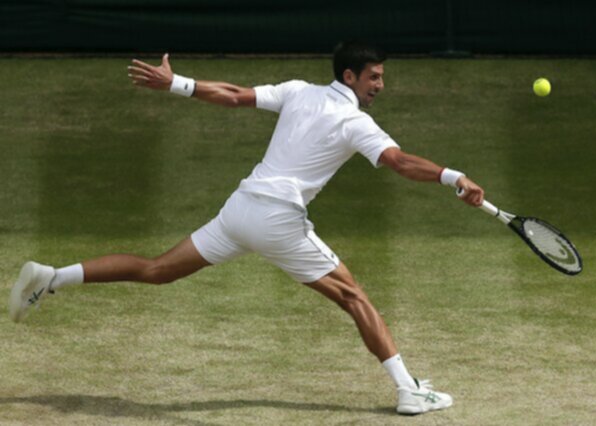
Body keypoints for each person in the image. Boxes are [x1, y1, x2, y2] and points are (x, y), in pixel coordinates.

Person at [9, 41, 484, 415]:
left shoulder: (299, 90)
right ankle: (407, 391)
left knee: (157, 269)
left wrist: (177, 84)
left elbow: (235, 96)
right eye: (374, 77)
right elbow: (398, 161)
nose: (380, 85)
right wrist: (452, 177)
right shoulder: (354, 122)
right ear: (349, 76)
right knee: (354, 297)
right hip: (279, 221)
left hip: (240, 210)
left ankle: (53, 276)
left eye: (382, 77)